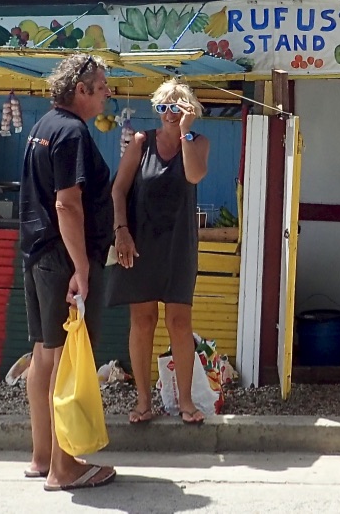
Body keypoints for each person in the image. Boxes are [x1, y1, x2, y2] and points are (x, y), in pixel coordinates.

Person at [18, 52, 116, 491]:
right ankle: (64, 468)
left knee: (44, 353)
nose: (108, 94)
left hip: (38, 254)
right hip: (63, 258)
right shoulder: (72, 132)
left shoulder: (43, 126)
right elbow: (67, 203)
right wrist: (82, 267)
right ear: (81, 90)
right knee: (66, 358)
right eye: (102, 87)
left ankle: (42, 456)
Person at [110, 79, 211, 425]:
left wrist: (184, 132)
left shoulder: (198, 142)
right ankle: (143, 401)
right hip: (140, 241)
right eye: (164, 107)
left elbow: (194, 175)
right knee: (143, 320)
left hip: (179, 243)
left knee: (179, 322)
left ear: (189, 110)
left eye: (177, 107)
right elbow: (118, 190)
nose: (169, 114)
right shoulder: (141, 142)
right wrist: (121, 231)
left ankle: (186, 401)